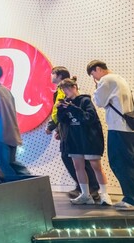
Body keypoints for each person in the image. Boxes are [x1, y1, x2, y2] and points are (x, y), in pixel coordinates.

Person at [55, 78, 113, 206]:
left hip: (89, 139)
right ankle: (85, 194)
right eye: (64, 89)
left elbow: (89, 118)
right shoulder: (67, 103)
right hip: (74, 140)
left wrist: (72, 108)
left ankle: (104, 194)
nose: (66, 91)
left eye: (68, 88)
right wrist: (61, 110)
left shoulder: (85, 101)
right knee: (78, 167)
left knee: (96, 166)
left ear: (74, 87)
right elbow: (63, 121)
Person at [46, 66, 99, 201]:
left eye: (53, 73)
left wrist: (52, 126)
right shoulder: (60, 90)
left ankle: (91, 188)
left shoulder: (66, 90)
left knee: (79, 160)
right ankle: (84, 188)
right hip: (66, 128)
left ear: (59, 75)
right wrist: (58, 129)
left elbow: (64, 110)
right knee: (73, 159)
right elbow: (60, 113)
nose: (51, 76)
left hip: (74, 131)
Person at [87, 60, 134, 211]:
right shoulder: (120, 79)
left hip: (117, 127)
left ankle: (131, 199)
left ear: (98, 69)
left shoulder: (106, 80)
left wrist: (97, 87)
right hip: (127, 128)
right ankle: (129, 197)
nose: (94, 78)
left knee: (119, 162)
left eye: (93, 74)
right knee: (128, 161)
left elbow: (99, 102)